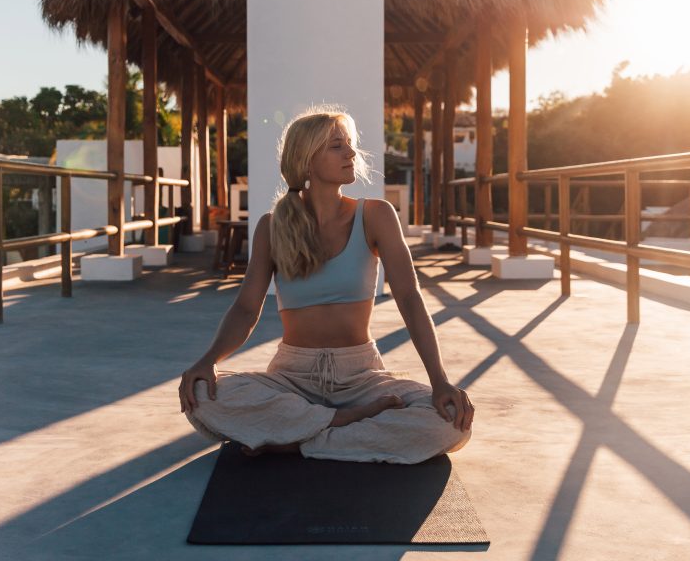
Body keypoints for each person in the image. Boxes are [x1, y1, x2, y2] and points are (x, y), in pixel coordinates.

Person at [178, 106, 474, 464]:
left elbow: (409, 298)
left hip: (362, 377)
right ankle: (340, 426)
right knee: (202, 395)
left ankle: (300, 438)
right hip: (292, 376)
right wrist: (208, 361)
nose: (351, 153)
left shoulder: (376, 215)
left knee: (450, 425)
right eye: (337, 146)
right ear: (305, 160)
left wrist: (440, 381)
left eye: (349, 144)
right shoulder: (272, 227)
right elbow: (245, 308)